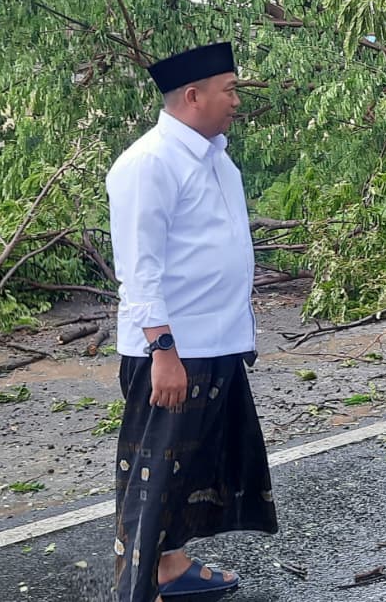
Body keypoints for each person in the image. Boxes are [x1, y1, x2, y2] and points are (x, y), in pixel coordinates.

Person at [106, 41, 277, 601]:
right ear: (192, 94)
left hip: (217, 341)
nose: (236, 100)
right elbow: (139, 270)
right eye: (229, 90)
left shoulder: (216, 156)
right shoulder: (148, 163)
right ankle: (138, 590)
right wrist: (163, 350)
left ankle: (170, 568)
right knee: (152, 481)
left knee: (194, 468)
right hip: (172, 351)